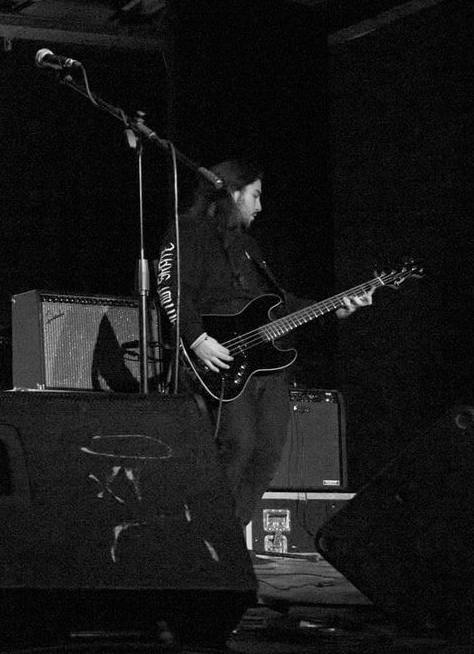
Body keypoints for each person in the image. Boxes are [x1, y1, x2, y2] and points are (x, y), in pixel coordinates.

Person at [154, 159, 370, 534]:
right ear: (234, 192)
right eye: (255, 195)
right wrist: (197, 339)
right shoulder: (188, 229)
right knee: (237, 445)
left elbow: (280, 304)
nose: (259, 206)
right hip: (221, 356)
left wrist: (336, 308)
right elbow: (170, 288)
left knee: (268, 452)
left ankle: (231, 535)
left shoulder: (248, 245)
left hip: (268, 365)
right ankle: (204, 534)